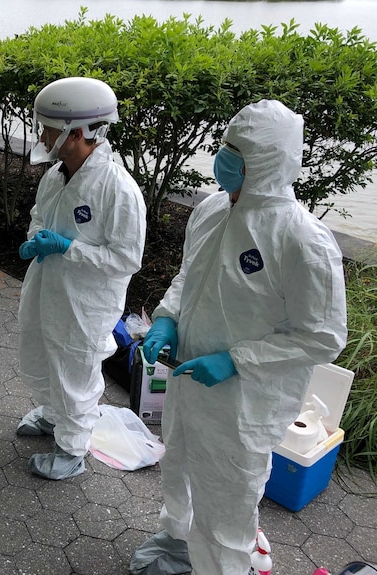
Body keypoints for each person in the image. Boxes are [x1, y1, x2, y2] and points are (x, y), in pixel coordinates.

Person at [131, 100, 348, 575]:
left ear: (268, 161)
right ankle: (176, 538)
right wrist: (167, 318)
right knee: (180, 464)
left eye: (237, 151)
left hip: (244, 403)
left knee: (227, 504)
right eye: (225, 146)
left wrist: (237, 361)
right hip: (190, 379)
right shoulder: (211, 209)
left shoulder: (302, 240)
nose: (223, 158)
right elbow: (190, 276)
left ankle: (225, 565)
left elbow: (323, 337)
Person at [16, 77, 147, 480]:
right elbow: (41, 217)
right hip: (47, 287)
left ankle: (72, 449)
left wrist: (67, 248)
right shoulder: (56, 175)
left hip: (85, 303)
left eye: (48, 128)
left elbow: (126, 257)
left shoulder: (118, 190)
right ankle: (55, 416)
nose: (42, 135)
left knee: (75, 369)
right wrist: (35, 239)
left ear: (76, 133)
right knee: (42, 352)